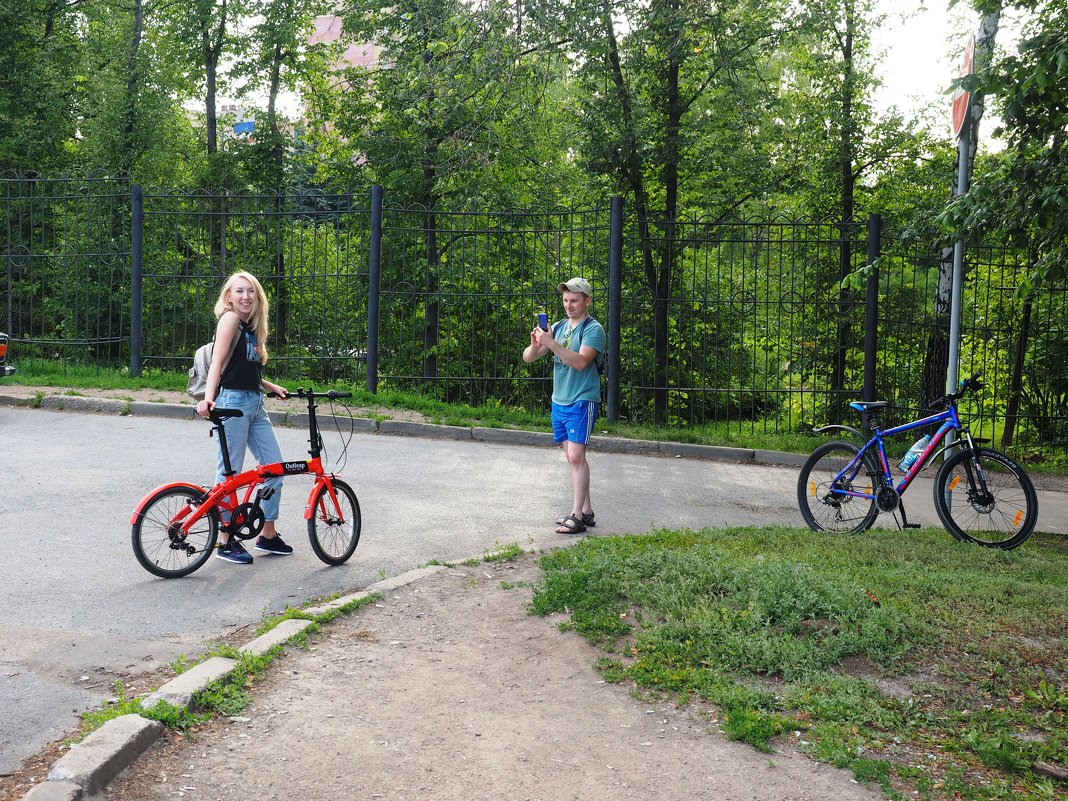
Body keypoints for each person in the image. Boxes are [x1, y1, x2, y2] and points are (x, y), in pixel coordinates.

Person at [196, 271, 291, 564]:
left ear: (257, 296)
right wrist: (208, 398)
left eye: (250, 291)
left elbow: (245, 368)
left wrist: (268, 385)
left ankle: (268, 535)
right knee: (230, 474)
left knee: (274, 467)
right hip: (231, 400)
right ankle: (225, 540)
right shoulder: (230, 320)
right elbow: (218, 364)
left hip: (254, 402)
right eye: (239, 291)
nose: (246, 296)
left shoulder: (251, 326)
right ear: (229, 296)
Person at [523, 277, 606, 535]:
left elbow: (581, 362)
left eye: (574, 300)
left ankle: (576, 516)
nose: (568, 305)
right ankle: (587, 512)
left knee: (575, 456)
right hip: (559, 400)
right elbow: (528, 358)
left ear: (587, 301)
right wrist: (538, 345)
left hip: (582, 399)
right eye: (565, 300)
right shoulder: (557, 328)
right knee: (573, 458)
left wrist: (552, 344)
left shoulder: (593, 329)